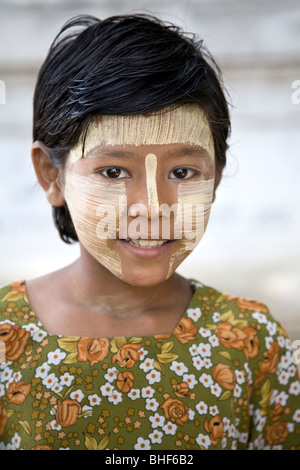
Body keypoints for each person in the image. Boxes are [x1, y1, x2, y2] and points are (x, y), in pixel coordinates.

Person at [0, 14, 299, 451]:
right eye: (114, 171)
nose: (153, 208)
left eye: (182, 171)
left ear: (215, 179)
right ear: (52, 175)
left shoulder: (252, 343)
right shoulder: (6, 339)